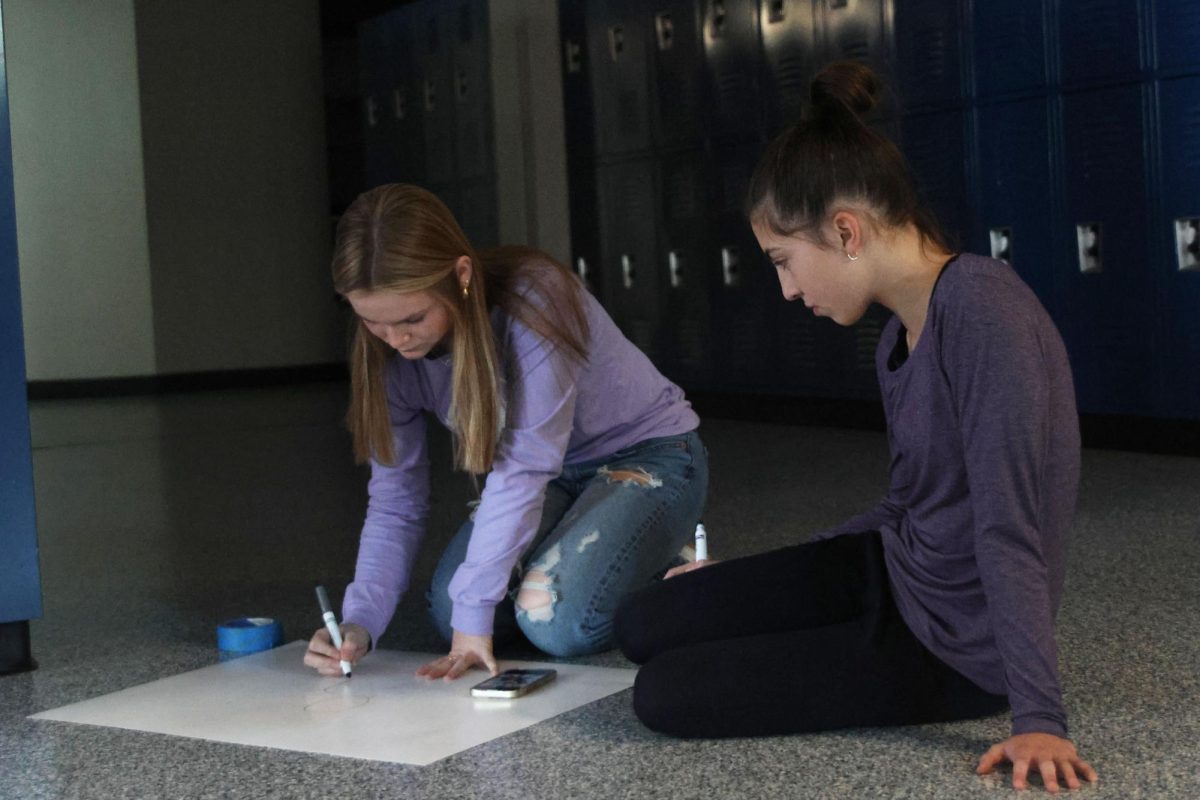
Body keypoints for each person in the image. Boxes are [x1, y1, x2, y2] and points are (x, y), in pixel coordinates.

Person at [613, 62, 1098, 794]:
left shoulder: (986, 314)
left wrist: (1039, 715)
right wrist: (765, 577)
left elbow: (1010, 528)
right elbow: (907, 503)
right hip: (894, 566)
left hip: (954, 648)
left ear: (846, 231)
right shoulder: (896, 335)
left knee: (664, 695)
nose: (786, 289)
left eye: (784, 261)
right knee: (647, 620)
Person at [304, 184, 707, 682]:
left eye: (412, 318)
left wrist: (476, 608)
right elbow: (396, 501)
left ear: (461, 276)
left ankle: (674, 558)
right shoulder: (388, 357)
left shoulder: (538, 297)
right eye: (372, 322)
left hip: (650, 455)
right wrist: (359, 621)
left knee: (556, 624)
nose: (396, 339)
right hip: (554, 480)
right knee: (453, 613)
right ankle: (580, 550)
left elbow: (524, 467)